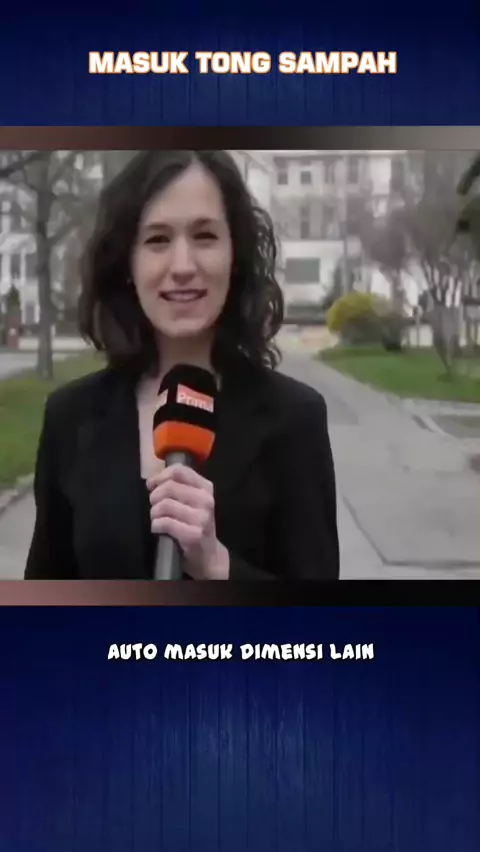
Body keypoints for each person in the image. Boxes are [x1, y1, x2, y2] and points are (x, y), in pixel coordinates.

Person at [25, 150, 339, 581]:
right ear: (128, 263)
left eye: (205, 236)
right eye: (158, 240)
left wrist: (218, 566)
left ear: (235, 254)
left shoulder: (295, 419)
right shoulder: (70, 417)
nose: (183, 266)